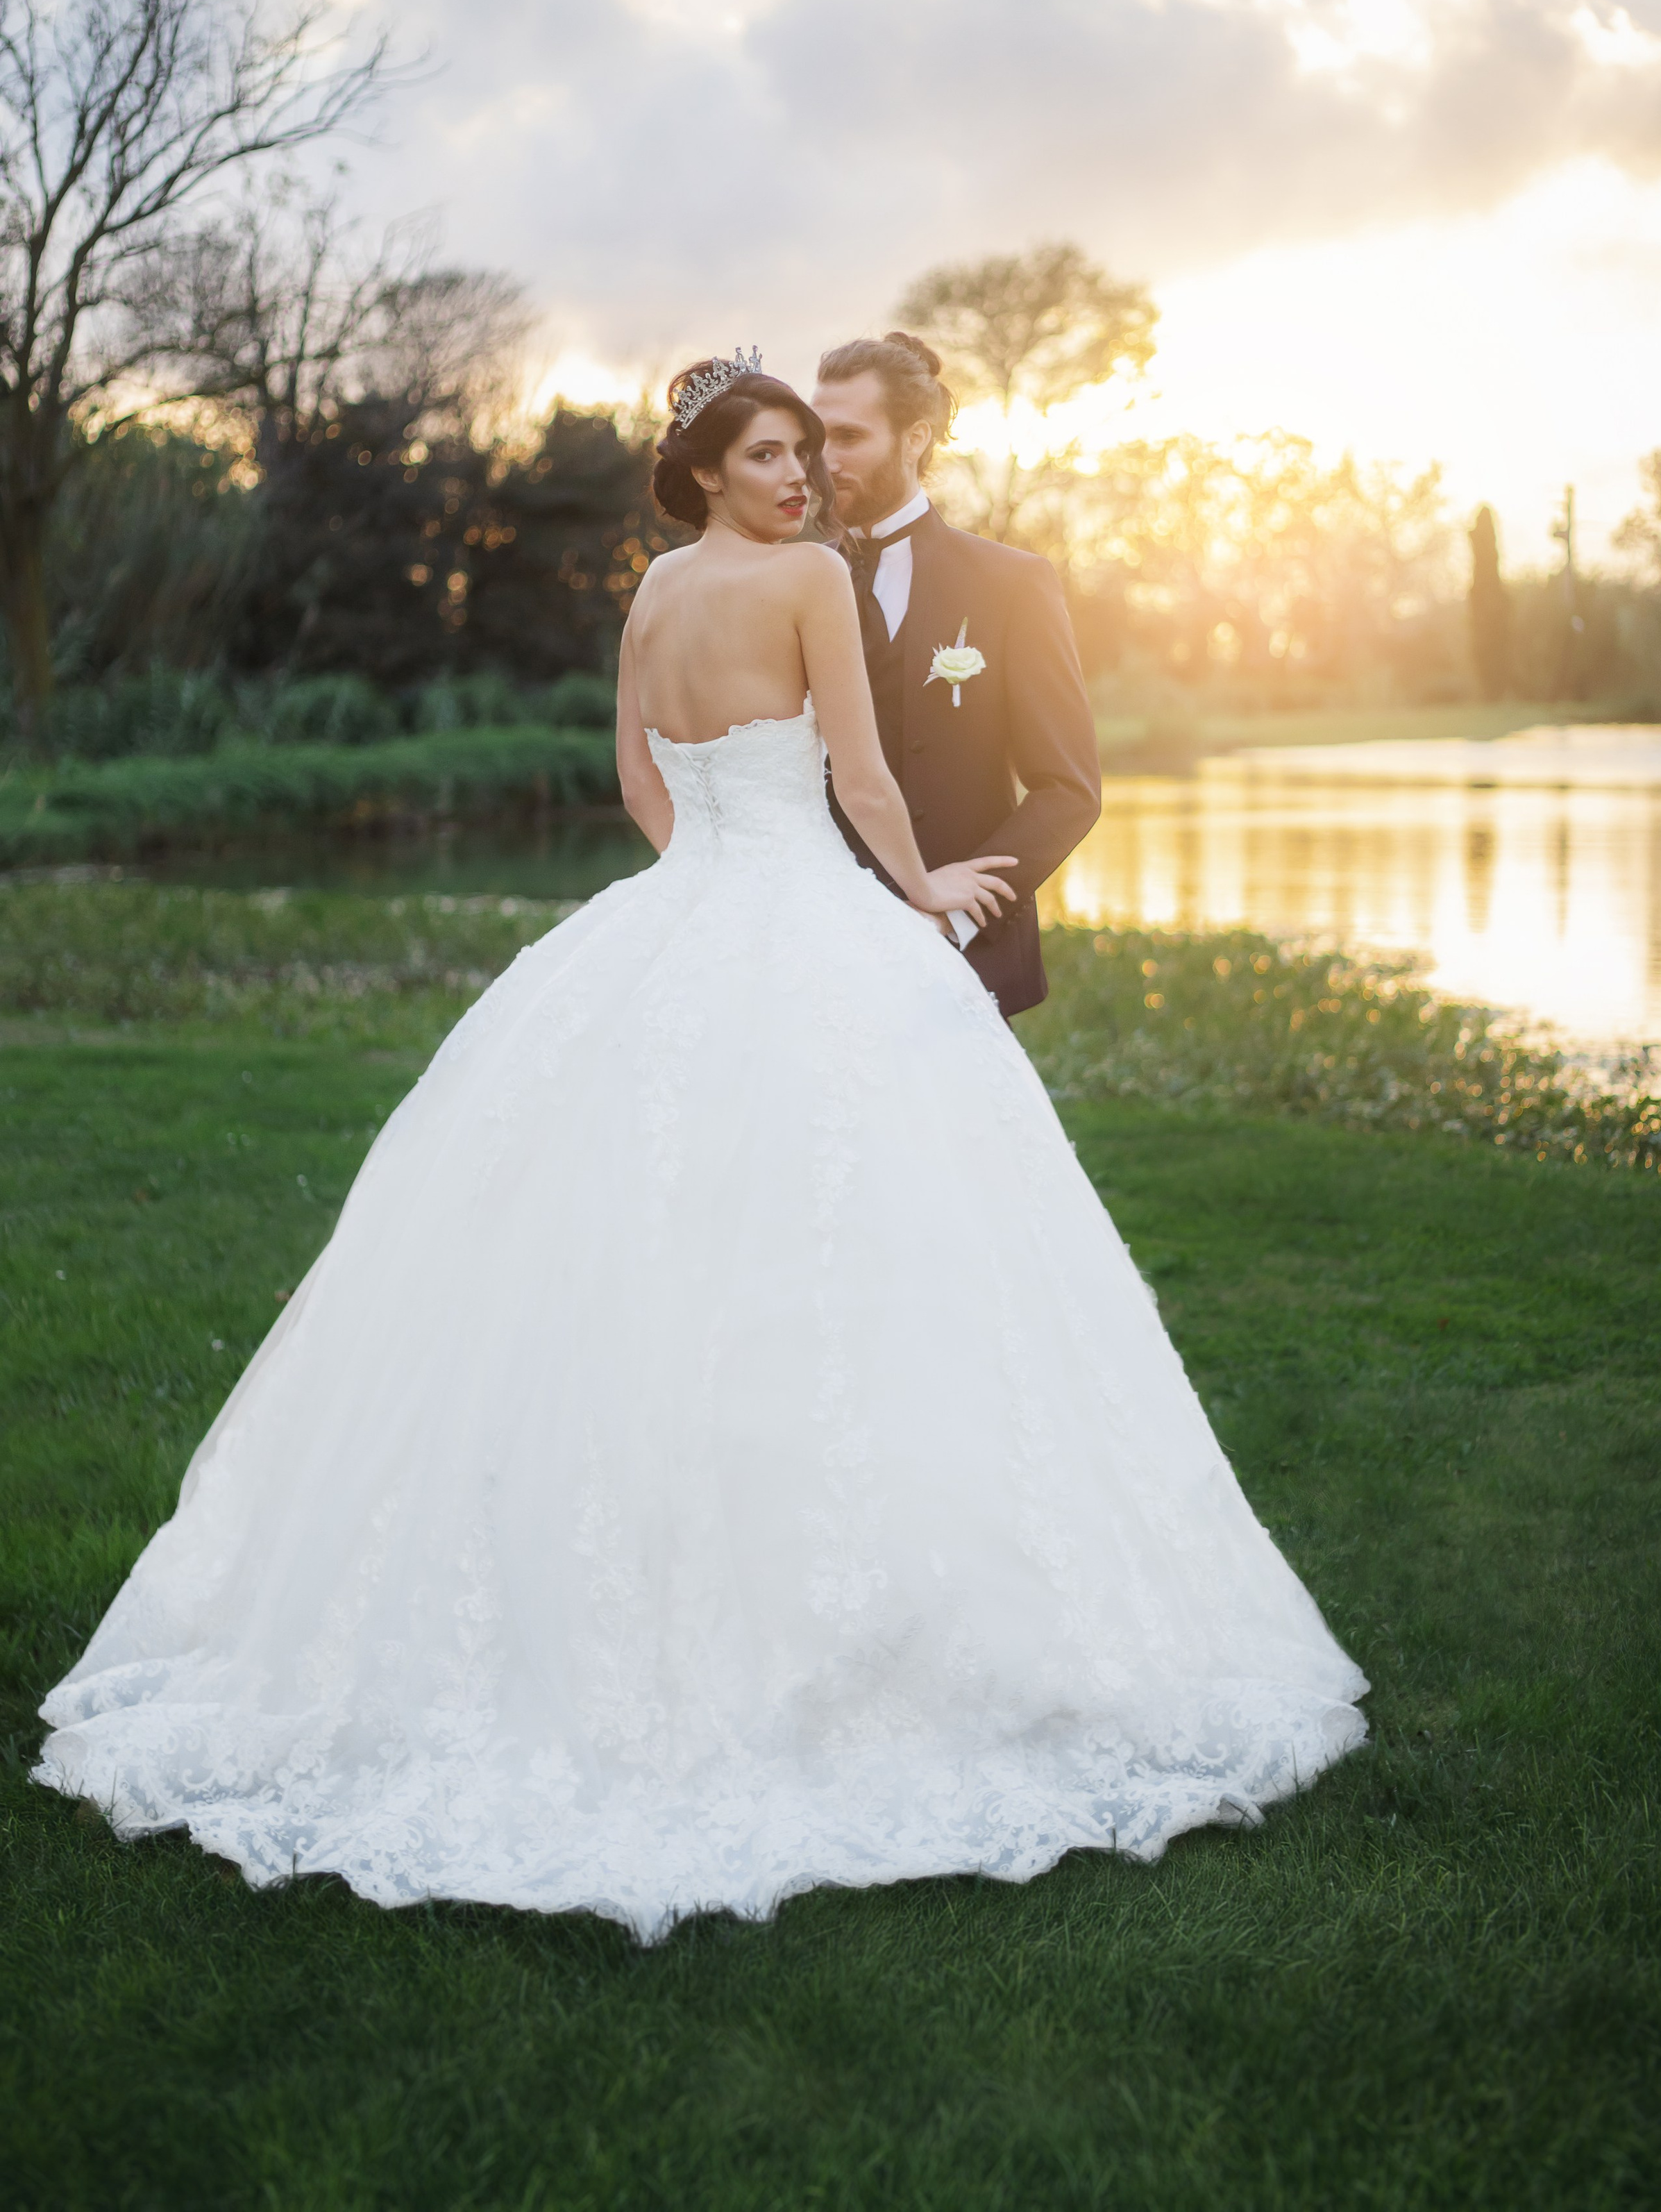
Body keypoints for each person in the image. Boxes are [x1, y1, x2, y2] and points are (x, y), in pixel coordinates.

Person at [34, 351, 1366, 1944]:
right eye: (771, 452)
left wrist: (705, 887)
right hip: (803, 907)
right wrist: (926, 888)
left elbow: (634, 773)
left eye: (810, 449)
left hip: (679, 912)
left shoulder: (653, 591)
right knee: (850, 1247)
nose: (801, 476)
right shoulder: (803, 577)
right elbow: (862, 770)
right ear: (713, 470)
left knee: (632, 1245)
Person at [812, 331, 1099, 1015]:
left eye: (848, 437)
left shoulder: (1012, 584)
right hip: (817, 948)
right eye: (814, 437)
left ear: (915, 439)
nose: (824, 461)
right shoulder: (789, 583)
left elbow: (1068, 790)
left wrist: (955, 913)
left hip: (968, 960)